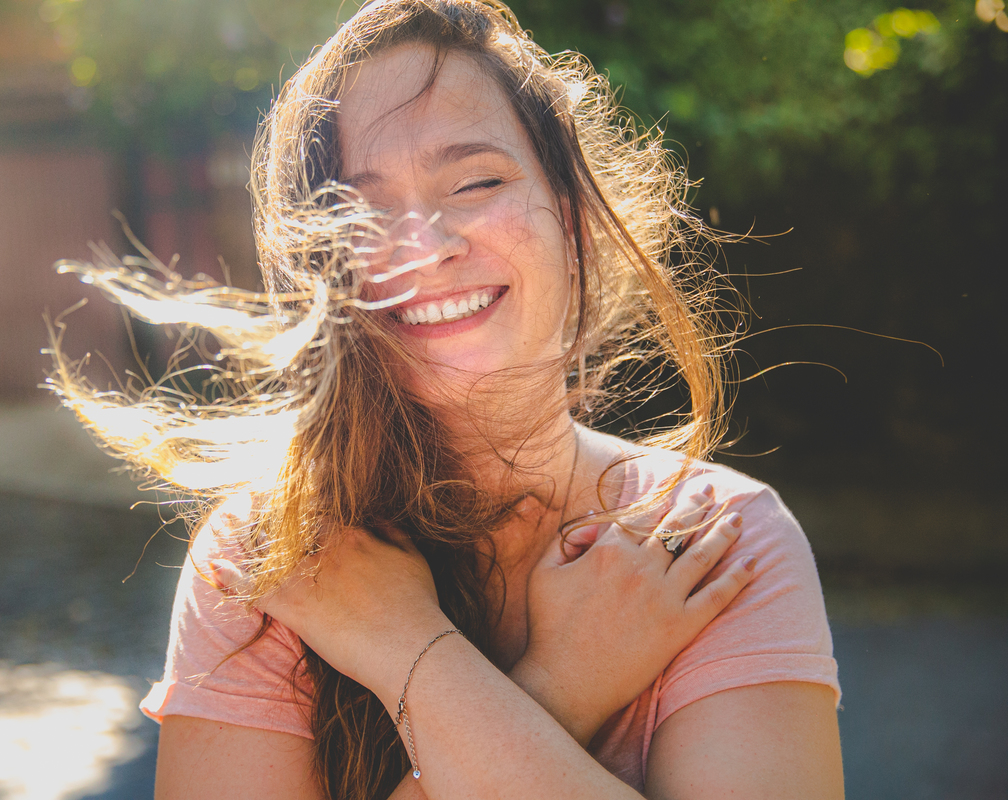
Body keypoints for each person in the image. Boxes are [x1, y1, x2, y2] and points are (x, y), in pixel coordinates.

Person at [50, 1, 844, 797]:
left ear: (570, 215)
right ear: (315, 269)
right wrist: (557, 687)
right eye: (359, 211)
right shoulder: (274, 561)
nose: (424, 247)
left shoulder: (716, 543)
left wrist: (406, 649)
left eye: (475, 182)